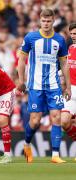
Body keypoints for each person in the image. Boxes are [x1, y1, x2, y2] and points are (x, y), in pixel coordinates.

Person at [17, 9, 71, 163]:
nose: (46, 24)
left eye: (49, 21)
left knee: (57, 118)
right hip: (35, 85)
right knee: (35, 121)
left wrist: (67, 86)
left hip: (54, 85)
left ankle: (55, 155)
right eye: (44, 21)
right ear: (40, 21)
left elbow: (64, 63)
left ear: (53, 21)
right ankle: (27, 144)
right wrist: (21, 80)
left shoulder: (60, 40)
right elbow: (22, 60)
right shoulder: (31, 37)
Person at [61, 23, 76, 158]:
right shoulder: (70, 48)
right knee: (65, 122)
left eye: (75, 34)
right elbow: (68, 67)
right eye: (71, 34)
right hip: (71, 91)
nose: (73, 36)